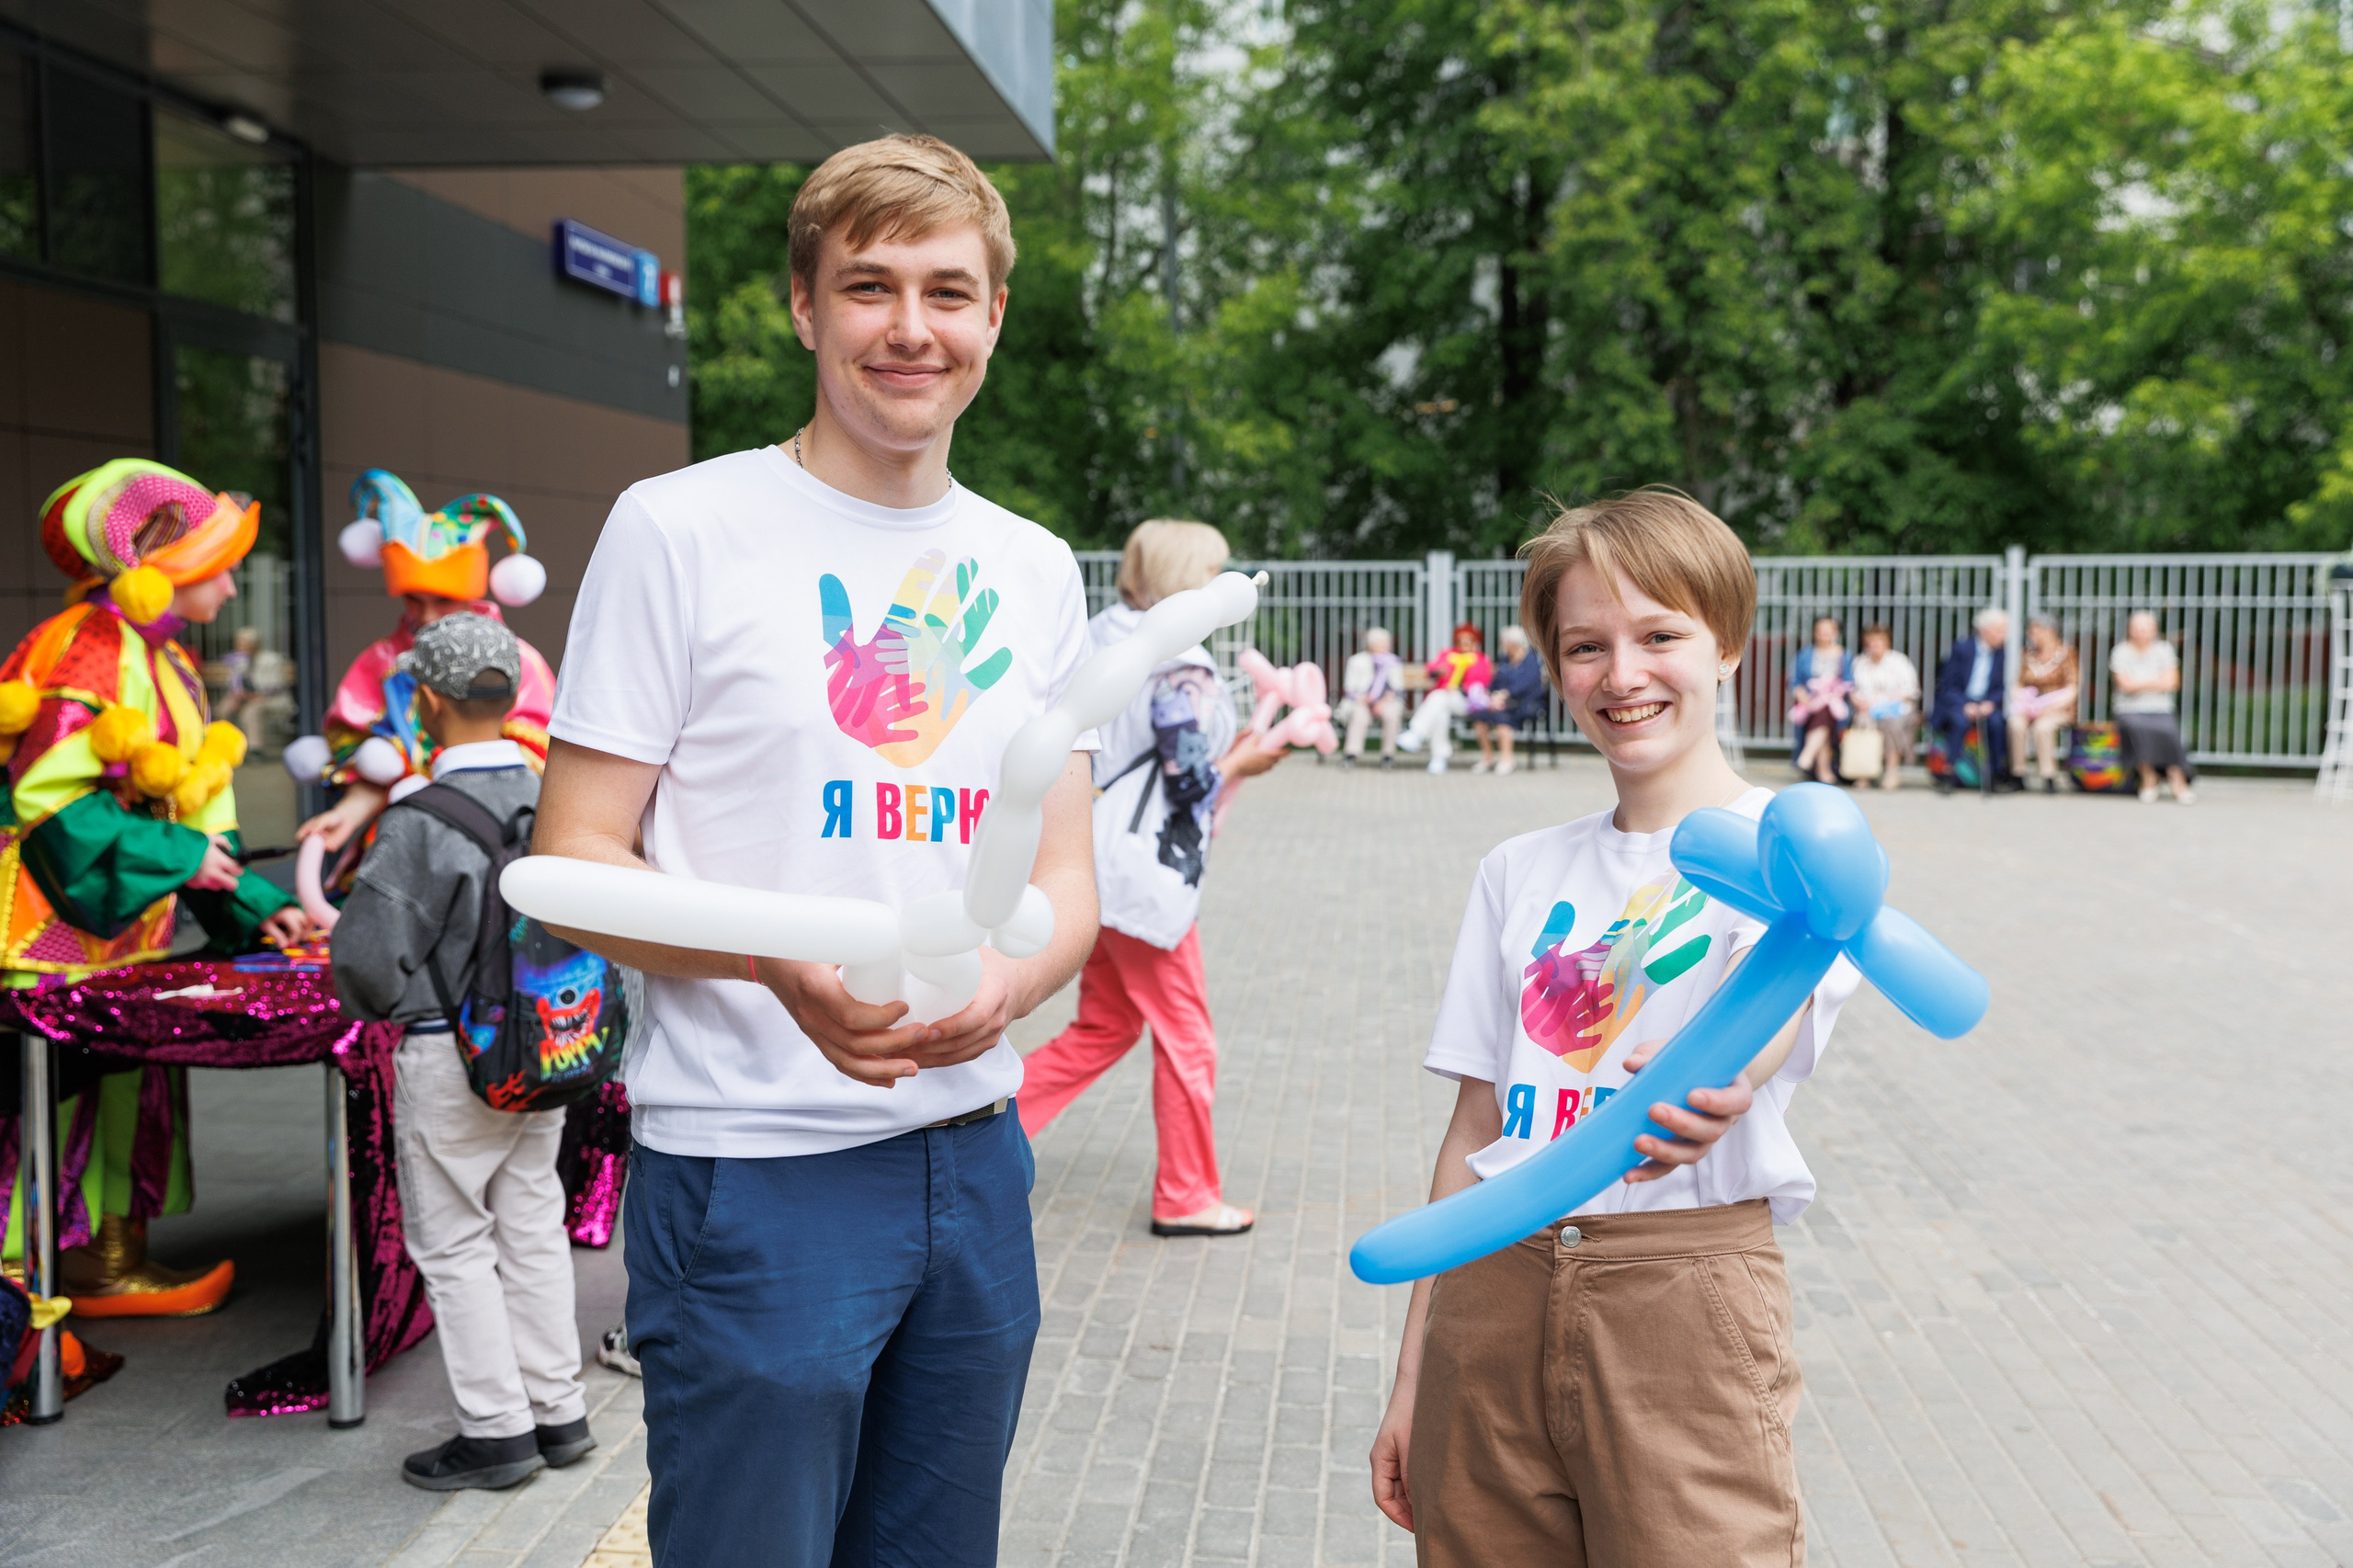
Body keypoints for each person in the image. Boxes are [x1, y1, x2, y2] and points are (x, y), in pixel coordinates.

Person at [529, 134, 1100, 1565]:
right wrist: (773, 960)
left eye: (949, 292)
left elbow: (1069, 883)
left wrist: (1014, 990)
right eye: (870, 286)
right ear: (804, 306)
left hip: (974, 1161)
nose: (913, 328)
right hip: (755, 1167)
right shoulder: (682, 529)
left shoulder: (1032, 566)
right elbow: (577, 852)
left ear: (993, 319)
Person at [1369, 489, 1857, 1564]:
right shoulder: (1517, 869)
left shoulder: (1791, 859)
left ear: (1726, 641)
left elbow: (1764, 1026)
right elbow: (1472, 1129)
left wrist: (1709, 1082)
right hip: (1488, 1289)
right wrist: (1414, 1369)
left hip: (1680, 1298)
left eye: (1659, 634)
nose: (1622, 674)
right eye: (1584, 645)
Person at [0, 460, 305, 1315]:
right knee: (41, 1107)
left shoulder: (163, 656)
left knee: (126, 1082)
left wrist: (259, 905)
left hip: (121, 927)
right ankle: (18, 1305)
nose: (235, 580)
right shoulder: (85, 646)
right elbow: (45, 799)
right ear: (159, 568)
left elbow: (201, 807)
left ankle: (107, 1263)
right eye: (219, 561)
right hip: (43, 931)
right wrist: (177, 856)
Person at [329, 613, 592, 1492]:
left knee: (453, 1244)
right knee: (531, 1226)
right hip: (549, 1048)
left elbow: (369, 958)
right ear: (513, 694)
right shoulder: (552, 791)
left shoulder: (419, 819)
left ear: (427, 700)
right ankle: (561, 1413)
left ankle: (496, 1432)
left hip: (453, 1056)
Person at [1017, 520, 1279, 1238]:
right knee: (1187, 1037)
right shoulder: (1180, 667)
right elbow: (1188, 778)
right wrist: (1246, 761)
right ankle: (1186, 1193)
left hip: (1087, 861)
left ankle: (992, 1130)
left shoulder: (1101, 637)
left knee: (1105, 1026)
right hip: (1143, 877)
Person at [295, 472, 556, 857]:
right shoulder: (380, 661)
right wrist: (351, 811)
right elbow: (365, 751)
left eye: (443, 600)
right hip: (403, 841)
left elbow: (543, 765)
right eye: (414, 600)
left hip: (497, 843)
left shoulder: (522, 661)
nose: (428, 616)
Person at [2109, 611, 2195, 804]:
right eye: (2137, 628)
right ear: (2130, 630)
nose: (2141, 633)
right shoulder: (2120, 651)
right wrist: (2155, 681)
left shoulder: (2164, 649)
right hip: (2128, 708)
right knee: (2137, 729)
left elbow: (2172, 682)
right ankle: (2149, 778)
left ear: (2154, 630)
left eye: (2145, 628)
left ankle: (2178, 779)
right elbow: (2124, 685)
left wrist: (2138, 683)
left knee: (2168, 731)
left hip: (2160, 708)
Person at [1931, 607, 2014, 792]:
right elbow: (1947, 685)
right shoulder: (1962, 649)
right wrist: (1965, 705)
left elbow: (2001, 687)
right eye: (2001, 630)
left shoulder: (2001, 653)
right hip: (1959, 702)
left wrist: (1990, 703)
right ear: (1985, 630)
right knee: (1959, 721)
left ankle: (1995, 773)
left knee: (1997, 723)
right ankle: (1948, 773)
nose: (2005, 635)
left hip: (1984, 703)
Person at [1397, 623, 1493, 775]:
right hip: (1444, 701)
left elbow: (1481, 686)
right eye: (1460, 640)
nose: (1464, 644)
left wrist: (1460, 688)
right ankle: (1439, 757)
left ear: (1475, 642)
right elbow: (1431, 670)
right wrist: (1438, 672)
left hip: (1466, 703)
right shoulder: (1447, 654)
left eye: (1468, 640)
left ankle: (1416, 732)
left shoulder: (1480, 660)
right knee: (1441, 711)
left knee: (1439, 697)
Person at [2009, 616, 2079, 794]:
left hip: (2057, 708)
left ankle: (2048, 776)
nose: (2031, 634)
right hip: (2029, 706)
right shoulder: (2027, 654)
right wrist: (2022, 701)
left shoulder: (2066, 653)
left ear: (2050, 631)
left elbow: (2073, 687)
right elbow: (2017, 683)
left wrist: (2049, 708)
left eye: (2035, 630)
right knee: (2015, 723)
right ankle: (2018, 773)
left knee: (2043, 728)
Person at [1850, 624, 1920, 790]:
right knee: (1862, 723)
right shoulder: (1859, 662)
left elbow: (1910, 690)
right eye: (1871, 642)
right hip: (1866, 709)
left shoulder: (1899, 661)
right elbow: (1851, 688)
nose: (1874, 646)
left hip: (1896, 709)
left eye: (1878, 642)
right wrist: (1859, 703)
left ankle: (1891, 770)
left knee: (1890, 725)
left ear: (1886, 643)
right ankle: (1864, 771)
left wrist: (1883, 702)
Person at [1787, 614, 1854, 784]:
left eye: (1828, 631)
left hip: (1835, 703)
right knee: (1820, 715)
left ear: (1835, 633)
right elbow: (1795, 681)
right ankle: (1824, 770)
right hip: (1810, 702)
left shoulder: (1844, 655)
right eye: (1820, 631)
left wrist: (1834, 694)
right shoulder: (1805, 655)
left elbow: (1849, 681)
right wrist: (1803, 696)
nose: (1824, 635)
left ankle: (1808, 757)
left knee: (1824, 713)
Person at [1474, 624, 1546, 775]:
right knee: (1479, 717)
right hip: (1502, 702)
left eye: (1504, 642)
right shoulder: (1505, 660)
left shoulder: (1530, 660)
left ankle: (1507, 759)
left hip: (1526, 704)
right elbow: (1495, 682)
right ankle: (1487, 758)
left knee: (1502, 717)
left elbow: (1526, 685)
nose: (1502, 645)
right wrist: (1492, 695)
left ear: (1513, 643)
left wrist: (1505, 694)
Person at [1336, 626, 1405, 768]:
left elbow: (1398, 687)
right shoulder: (1356, 660)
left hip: (1387, 701)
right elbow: (1349, 688)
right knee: (1359, 715)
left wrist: (1382, 701)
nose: (1384, 646)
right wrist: (1363, 699)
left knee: (1391, 714)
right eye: (1380, 643)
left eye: (1386, 643)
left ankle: (1388, 755)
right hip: (1361, 701)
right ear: (1370, 644)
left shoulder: (1393, 661)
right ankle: (1351, 754)